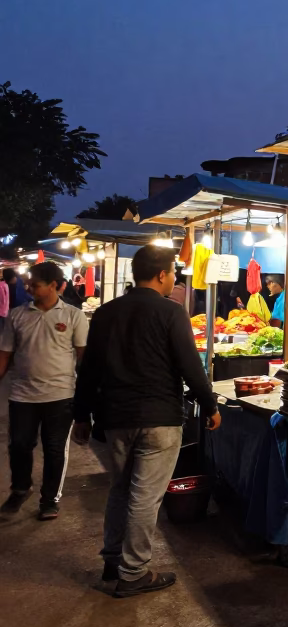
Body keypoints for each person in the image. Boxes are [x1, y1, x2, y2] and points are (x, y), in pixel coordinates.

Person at [73, 245, 220, 597]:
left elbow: (88, 369)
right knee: (145, 497)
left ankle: (113, 560)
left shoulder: (106, 313)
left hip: (116, 417)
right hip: (159, 418)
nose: (175, 279)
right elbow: (190, 365)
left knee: (121, 489)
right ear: (160, 275)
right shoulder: (171, 312)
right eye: (173, 272)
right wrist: (210, 404)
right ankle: (134, 572)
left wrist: (81, 415)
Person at [0, 262, 89, 520]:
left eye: (35, 284)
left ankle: (49, 499)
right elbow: (4, 356)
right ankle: (20, 488)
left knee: (54, 449)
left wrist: (87, 396)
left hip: (61, 395)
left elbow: (84, 358)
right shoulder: (17, 316)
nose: (29, 288)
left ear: (53, 285)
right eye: (29, 283)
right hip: (22, 395)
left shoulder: (74, 316)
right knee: (19, 445)